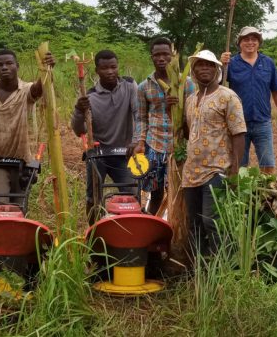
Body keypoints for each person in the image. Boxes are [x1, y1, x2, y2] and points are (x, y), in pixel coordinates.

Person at [182, 50, 246, 257]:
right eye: (200, 65)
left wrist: (235, 169)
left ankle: (224, 268)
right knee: (195, 223)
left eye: (209, 65)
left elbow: (238, 133)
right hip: (191, 172)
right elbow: (188, 132)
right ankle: (199, 270)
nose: (204, 69)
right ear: (194, 70)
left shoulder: (228, 96)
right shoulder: (191, 100)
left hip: (217, 169)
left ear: (217, 70)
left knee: (213, 221)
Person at [0, 49, 53, 205]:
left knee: (19, 206)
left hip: (22, 160)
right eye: (0, 65)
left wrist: (46, 70)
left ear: (17, 66)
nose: (4, 67)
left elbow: (38, 89)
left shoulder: (25, 90)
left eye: (9, 63)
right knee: (1, 205)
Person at [71, 49, 140, 225]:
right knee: (93, 197)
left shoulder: (129, 86)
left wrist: (135, 141)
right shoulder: (90, 96)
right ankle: (93, 233)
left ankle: (132, 232)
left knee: (132, 193)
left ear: (118, 67)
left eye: (113, 67)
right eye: (104, 68)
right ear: (97, 71)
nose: (110, 71)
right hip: (98, 154)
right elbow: (80, 130)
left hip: (124, 153)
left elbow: (138, 114)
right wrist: (79, 111)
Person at [133, 37, 196, 215]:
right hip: (154, 145)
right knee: (156, 193)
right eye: (157, 55)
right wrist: (140, 142)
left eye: (165, 54)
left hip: (178, 147)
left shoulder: (187, 84)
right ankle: (153, 226)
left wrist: (174, 110)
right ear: (151, 57)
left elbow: (191, 117)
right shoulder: (143, 87)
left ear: (173, 56)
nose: (161, 59)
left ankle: (176, 230)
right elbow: (142, 118)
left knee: (177, 192)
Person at [219, 26, 277, 175]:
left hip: (262, 122)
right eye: (246, 39)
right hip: (238, 124)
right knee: (239, 167)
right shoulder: (230, 64)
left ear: (259, 42)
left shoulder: (268, 63)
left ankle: (267, 196)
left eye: (254, 39)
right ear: (239, 43)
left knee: (268, 165)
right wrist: (220, 65)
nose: (250, 42)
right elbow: (218, 86)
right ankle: (240, 196)